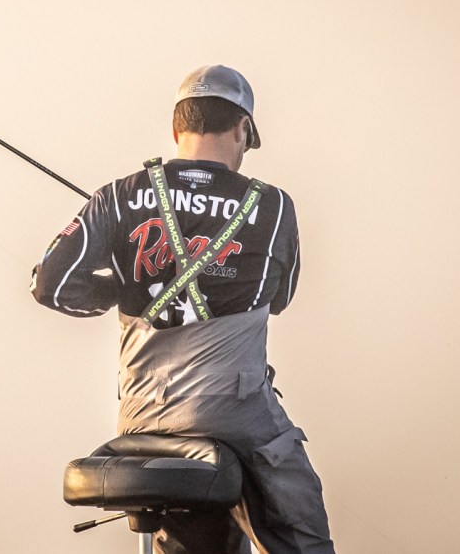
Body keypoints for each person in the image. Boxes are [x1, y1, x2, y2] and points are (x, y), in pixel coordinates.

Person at [31, 65, 335, 554]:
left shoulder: (117, 196)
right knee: (304, 531)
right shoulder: (275, 207)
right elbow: (280, 296)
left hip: (140, 415)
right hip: (235, 413)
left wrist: (119, 289)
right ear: (242, 129)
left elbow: (51, 285)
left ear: (177, 128)